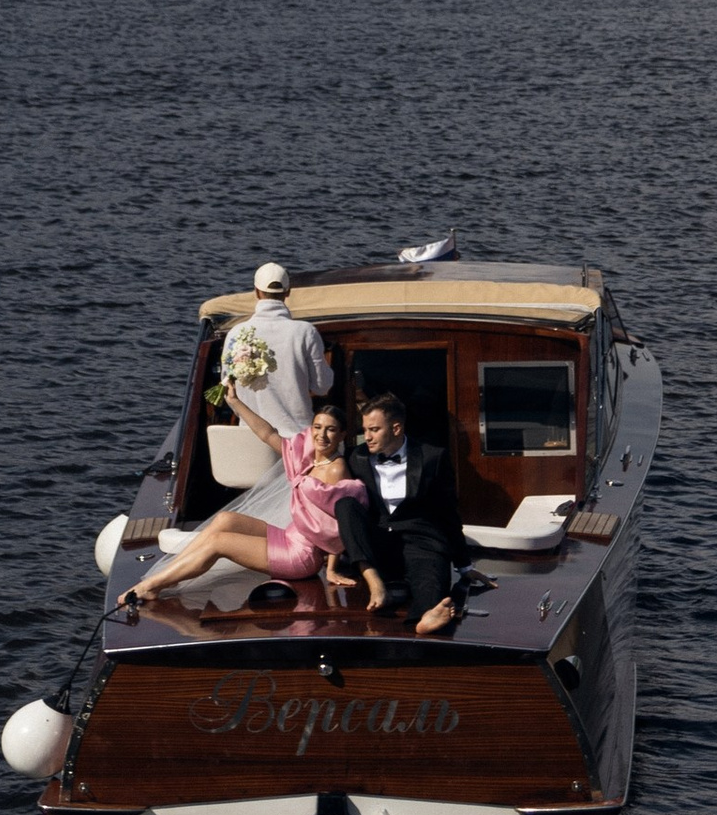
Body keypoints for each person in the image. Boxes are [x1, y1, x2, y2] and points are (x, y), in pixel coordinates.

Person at [121, 396, 378, 613]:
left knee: (219, 543)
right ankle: (171, 574)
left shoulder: (336, 469)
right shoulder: (306, 458)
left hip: (301, 556)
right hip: (289, 537)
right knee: (225, 520)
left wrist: (331, 568)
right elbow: (267, 434)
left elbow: (340, 523)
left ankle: (152, 586)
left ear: (343, 434)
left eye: (331, 429)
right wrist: (235, 402)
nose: (322, 435)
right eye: (317, 427)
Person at [339, 388, 472, 637]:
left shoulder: (433, 457)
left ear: (397, 428)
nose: (366, 436)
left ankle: (424, 618)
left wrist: (464, 566)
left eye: (374, 430)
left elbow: (449, 513)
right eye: (365, 429)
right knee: (344, 504)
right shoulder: (356, 458)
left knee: (431, 576)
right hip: (378, 541)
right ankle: (374, 582)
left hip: (420, 540)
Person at [224, 260, 329, 438]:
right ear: (288, 292)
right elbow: (322, 387)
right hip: (295, 440)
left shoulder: (236, 333)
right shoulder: (305, 332)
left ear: (256, 292)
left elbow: (228, 390)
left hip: (249, 438)